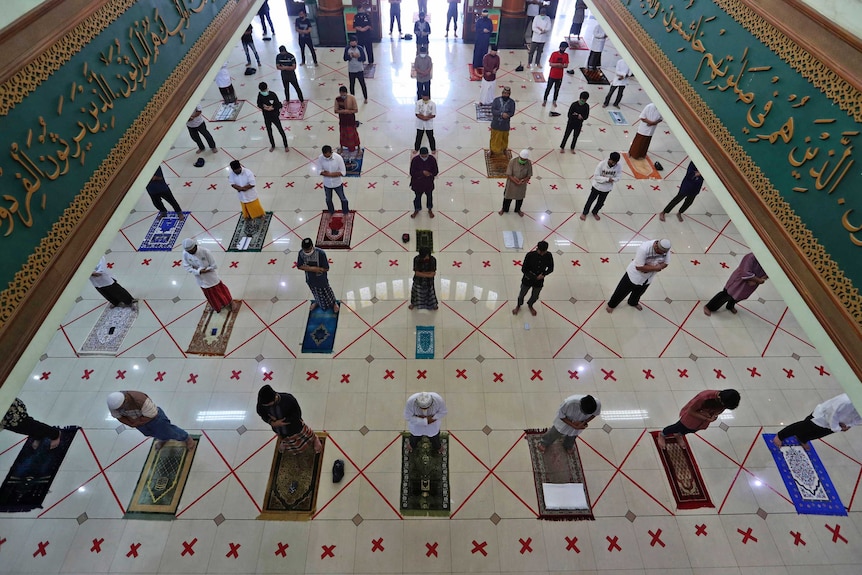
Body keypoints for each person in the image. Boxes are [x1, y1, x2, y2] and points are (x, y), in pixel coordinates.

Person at [107, 391, 195, 451]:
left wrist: (136, 423)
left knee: (170, 431)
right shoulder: (114, 405)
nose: (121, 409)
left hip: (155, 419)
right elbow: (118, 416)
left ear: (125, 400)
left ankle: (186, 438)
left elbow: (152, 415)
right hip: (138, 422)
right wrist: (131, 424)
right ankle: (163, 439)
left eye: (121, 407)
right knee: (151, 433)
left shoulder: (140, 399)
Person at [773, 394, 861, 452]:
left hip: (838, 424)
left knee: (817, 434)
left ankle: (802, 438)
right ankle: (780, 435)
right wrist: (838, 428)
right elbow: (832, 413)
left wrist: (849, 425)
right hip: (822, 418)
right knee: (801, 427)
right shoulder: (846, 401)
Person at [656, 389, 741, 449]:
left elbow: (718, 411)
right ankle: (662, 434)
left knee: (690, 431)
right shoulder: (704, 397)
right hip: (690, 419)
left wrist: (714, 416)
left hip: (701, 423)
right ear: (720, 398)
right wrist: (707, 418)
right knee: (676, 427)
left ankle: (678, 435)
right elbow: (690, 411)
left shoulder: (725, 401)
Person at [606, 238, 671, 312]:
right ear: (656, 246)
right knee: (621, 292)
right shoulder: (644, 249)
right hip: (634, 276)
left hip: (648, 278)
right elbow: (639, 267)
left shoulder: (666, 249)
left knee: (638, 293)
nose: (662, 254)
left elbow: (666, 263)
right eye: (660, 252)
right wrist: (656, 268)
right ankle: (611, 305)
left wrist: (649, 267)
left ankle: (633, 303)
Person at [257, 385, 322, 454]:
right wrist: (272, 422)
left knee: (306, 435)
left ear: (275, 398)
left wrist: (283, 422)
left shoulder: (288, 399)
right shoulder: (262, 404)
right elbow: (261, 413)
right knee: (287, 440)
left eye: (268, 405)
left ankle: (315, 439)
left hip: (295, 427)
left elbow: (297, 415)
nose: (266, 407)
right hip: (280, 430)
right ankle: (285, 443)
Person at [182, 238, 238, 313]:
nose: (190, 252)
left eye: (191, 250)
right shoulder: (185, 253)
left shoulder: (205, 252)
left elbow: (214, 265)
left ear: (195, 246)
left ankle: (230, 303)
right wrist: (198, 271)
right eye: (188, 251)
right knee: (210, 295)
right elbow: (186, 266)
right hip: (200, 279)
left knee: (221, 291)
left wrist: (206, 270)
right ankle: (217, 306)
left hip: (211, 278)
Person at [297, 238, 340, 312]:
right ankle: (318, 302)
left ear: (312, 247)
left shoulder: (320, 253)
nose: (307, 252)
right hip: (310, 279)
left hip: (321, 279)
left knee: (327, 291)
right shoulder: (301, 253)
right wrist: (312, 269)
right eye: (305, 250)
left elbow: (326, 268)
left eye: (308, 250)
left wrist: (317, 269)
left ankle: (334, 303)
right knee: (315, 292)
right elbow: (299, 266)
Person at [513, 240, 553, 316]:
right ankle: (518, 305)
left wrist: (544, 274)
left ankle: (530, 304)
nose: (541, 254)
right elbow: (524, 269)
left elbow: (551, 268)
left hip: (539, 281)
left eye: (543, 252)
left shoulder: (548, 255)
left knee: (535, 296)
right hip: (528, 279)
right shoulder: (530, 255)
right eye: (540, 251)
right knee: (522, 294)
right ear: (537, 248)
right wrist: (534, 277)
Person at [580, 152, 621, 220]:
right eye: (613, 162)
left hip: (607, 189)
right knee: (590, 200)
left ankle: (595, 212)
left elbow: (618, 177)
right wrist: (607, 179)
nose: (614, 164)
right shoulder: (601, 164)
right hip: (597, 187)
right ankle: (584, 213)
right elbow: (596, 176)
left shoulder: (618, 166)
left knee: (600, 203)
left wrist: (613, 179)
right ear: (610, 159)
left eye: (616, 162)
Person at [257, 82, 289, 152]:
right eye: (262, 91)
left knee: (280, 130)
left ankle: (286, 145)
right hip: (266, 116)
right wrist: (264, 107)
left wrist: (273, 107)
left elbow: (279, 105)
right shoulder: (260, 95)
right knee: (269, 131)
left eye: (264, 90)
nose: (264, 92)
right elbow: (258, 104)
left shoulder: (272, 94)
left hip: (274, 116)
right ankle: (273, 145)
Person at [317, 145, 349, 215]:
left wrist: (329, 174)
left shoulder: (338, 158)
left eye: (328, 156)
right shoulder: (320, 158)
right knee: (328, 199)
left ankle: (346, 212)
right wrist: (327, 173)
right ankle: (331, 212)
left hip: (337, 183)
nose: (326, 158)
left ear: (331, 152)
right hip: (327, 184)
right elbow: (319, 171)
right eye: (325, 156)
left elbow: (343, 172)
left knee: (343, 199)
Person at [499, 149, 532, 216]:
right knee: (507, 197)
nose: (522, 161)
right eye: (521, 159)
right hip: (511, 184)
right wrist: (516, 181)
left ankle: (518, 209)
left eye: (524, 160)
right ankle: (504, 209)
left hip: (521, 185)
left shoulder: (528, 163)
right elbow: (508, 174)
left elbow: (529, 175)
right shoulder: (512, 161)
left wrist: (523, 180)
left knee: (520, 198)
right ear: (519, 156)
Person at [410, 146, 438, 218]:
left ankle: (429, 208)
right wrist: (422, 173)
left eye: (426, 155)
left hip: (428, 183)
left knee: (429, 197)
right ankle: (417, 209)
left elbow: (436, 171)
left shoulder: (432, 159)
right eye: (423, 155)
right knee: (417, 197)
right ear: (420, 154)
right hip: (418, 184)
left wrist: (430, 174)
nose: (425, 157)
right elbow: (412, 173)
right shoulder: (415, 160)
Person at [542, 42, 569, 107]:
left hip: (559, 76)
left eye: (565, 48)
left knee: (557, 89)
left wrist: (558, 65)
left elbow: (566, 65)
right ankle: (545, 100)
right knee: (548, 88)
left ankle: (554, 100)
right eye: (562, 48)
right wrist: (559, 65)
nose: (563, 49)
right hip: (552, 75)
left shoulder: (566, 55)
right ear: (560, 47)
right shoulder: (554, 54)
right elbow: (551, 64)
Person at [490, 87, 516, 155]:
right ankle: (492, 150)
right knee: (494, 138)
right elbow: (493, 110)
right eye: (504, 93)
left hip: (505, 125)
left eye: (507, 94)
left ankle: (504, 149)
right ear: (502, 93)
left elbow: (512, 113)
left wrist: (507, 115)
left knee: (504, 139)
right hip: (496, 124)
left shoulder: (512, 102)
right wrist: (501, 114)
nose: (505, 95)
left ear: (509, 94)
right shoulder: (496, 100)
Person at [335, 86, 361, 153]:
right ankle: (341, 148)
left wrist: (348, 111)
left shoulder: (352, 98)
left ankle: (358, 148)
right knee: (342, 135)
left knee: (353, 134)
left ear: (346, 93)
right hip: (342, 120)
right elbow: (336, 110)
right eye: (341, 94)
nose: (343, 95)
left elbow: (356, 110)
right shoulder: (337, 99)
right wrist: (343, 111)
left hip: (350, 120)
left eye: (344, 94)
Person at [344, 37, 368, 103]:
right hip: (351, 70)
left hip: (359, 69)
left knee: (362, 84)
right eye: (351, 42)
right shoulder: (347, 49)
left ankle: (365, 98)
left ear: (356, 42)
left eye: (354, 41)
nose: (352, 43)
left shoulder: (360, 48)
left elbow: (364, 58)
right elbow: (345, 58)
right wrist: (350, 56)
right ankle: (352, 99)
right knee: (352, 85)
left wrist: (358, 57)